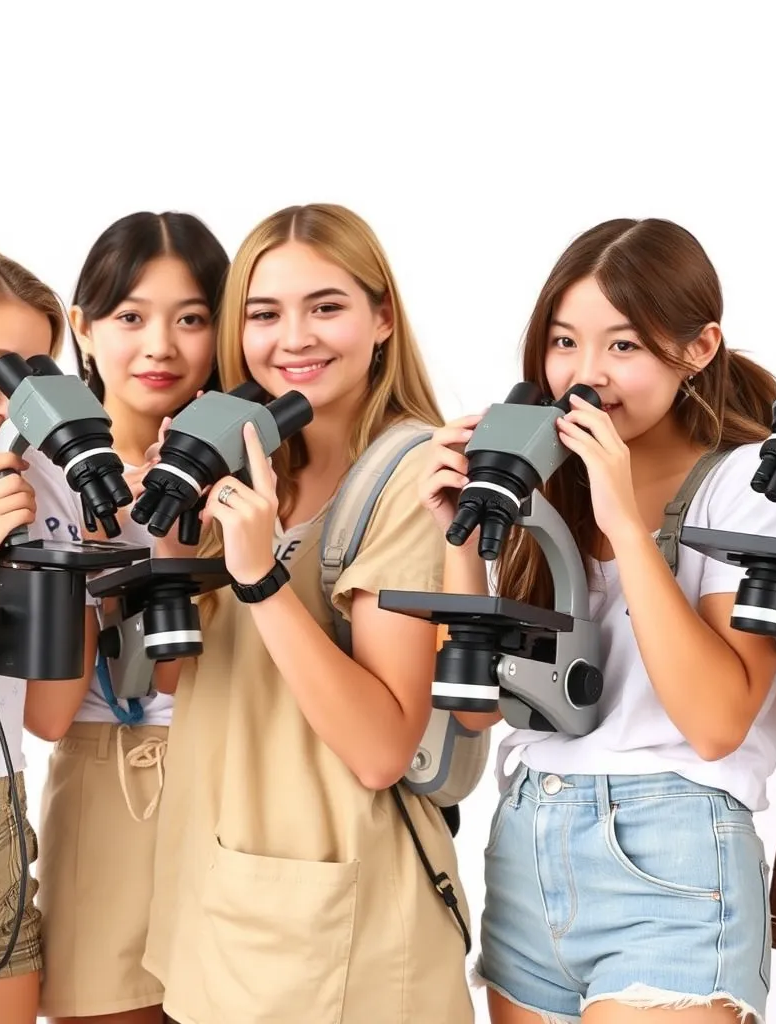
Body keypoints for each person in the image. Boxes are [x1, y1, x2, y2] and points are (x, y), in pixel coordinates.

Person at [421, 217, 776, 1023]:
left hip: (671, 852)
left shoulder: (751, 482)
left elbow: (716, 722)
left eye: (624, 346)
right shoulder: (547, 482)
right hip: (527, 838)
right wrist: (458, 538)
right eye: (564, 343)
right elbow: (471, 711)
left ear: (699, 348)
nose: (585, 375)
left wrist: (624, 513)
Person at [141, 203, 474, 1024]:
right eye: (264, 314)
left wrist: (258, 579)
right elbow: (176, 676)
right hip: (219, 911)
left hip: (342, 942)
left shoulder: (409, 477)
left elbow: (381, 749)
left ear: (382, 318)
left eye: (326, 306)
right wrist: (175, 547)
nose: (294, 338)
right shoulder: (249, 474)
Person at [24, 211, 228, 1024]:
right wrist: (95, 541)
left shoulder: (260, 464)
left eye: (192, 318)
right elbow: (47, 714)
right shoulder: (33, 475)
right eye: (130, 317)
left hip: (231, 771)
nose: (160, 347)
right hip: (102, 775)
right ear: (81, 327)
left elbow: (190, 667)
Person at [0, 240, 80, 1024]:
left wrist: (68, 542)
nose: (9, 404)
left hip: (1, 818)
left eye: (32, 380)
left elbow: (51, 714)